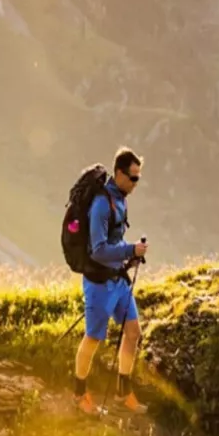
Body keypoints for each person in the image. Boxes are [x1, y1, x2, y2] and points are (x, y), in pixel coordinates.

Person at [73, 147, 147, 415]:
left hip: (118, 279)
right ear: (119, 173)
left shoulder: (122, 198)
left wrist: (130, 255)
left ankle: (122, 392)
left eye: (139, 177)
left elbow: (114, 242)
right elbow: (98, 250)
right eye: (133, 178)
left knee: (133, 332)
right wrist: (130, 251)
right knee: (93, 338)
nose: (136, 183)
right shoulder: (102, 204)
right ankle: (79, 393)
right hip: (99, 283)